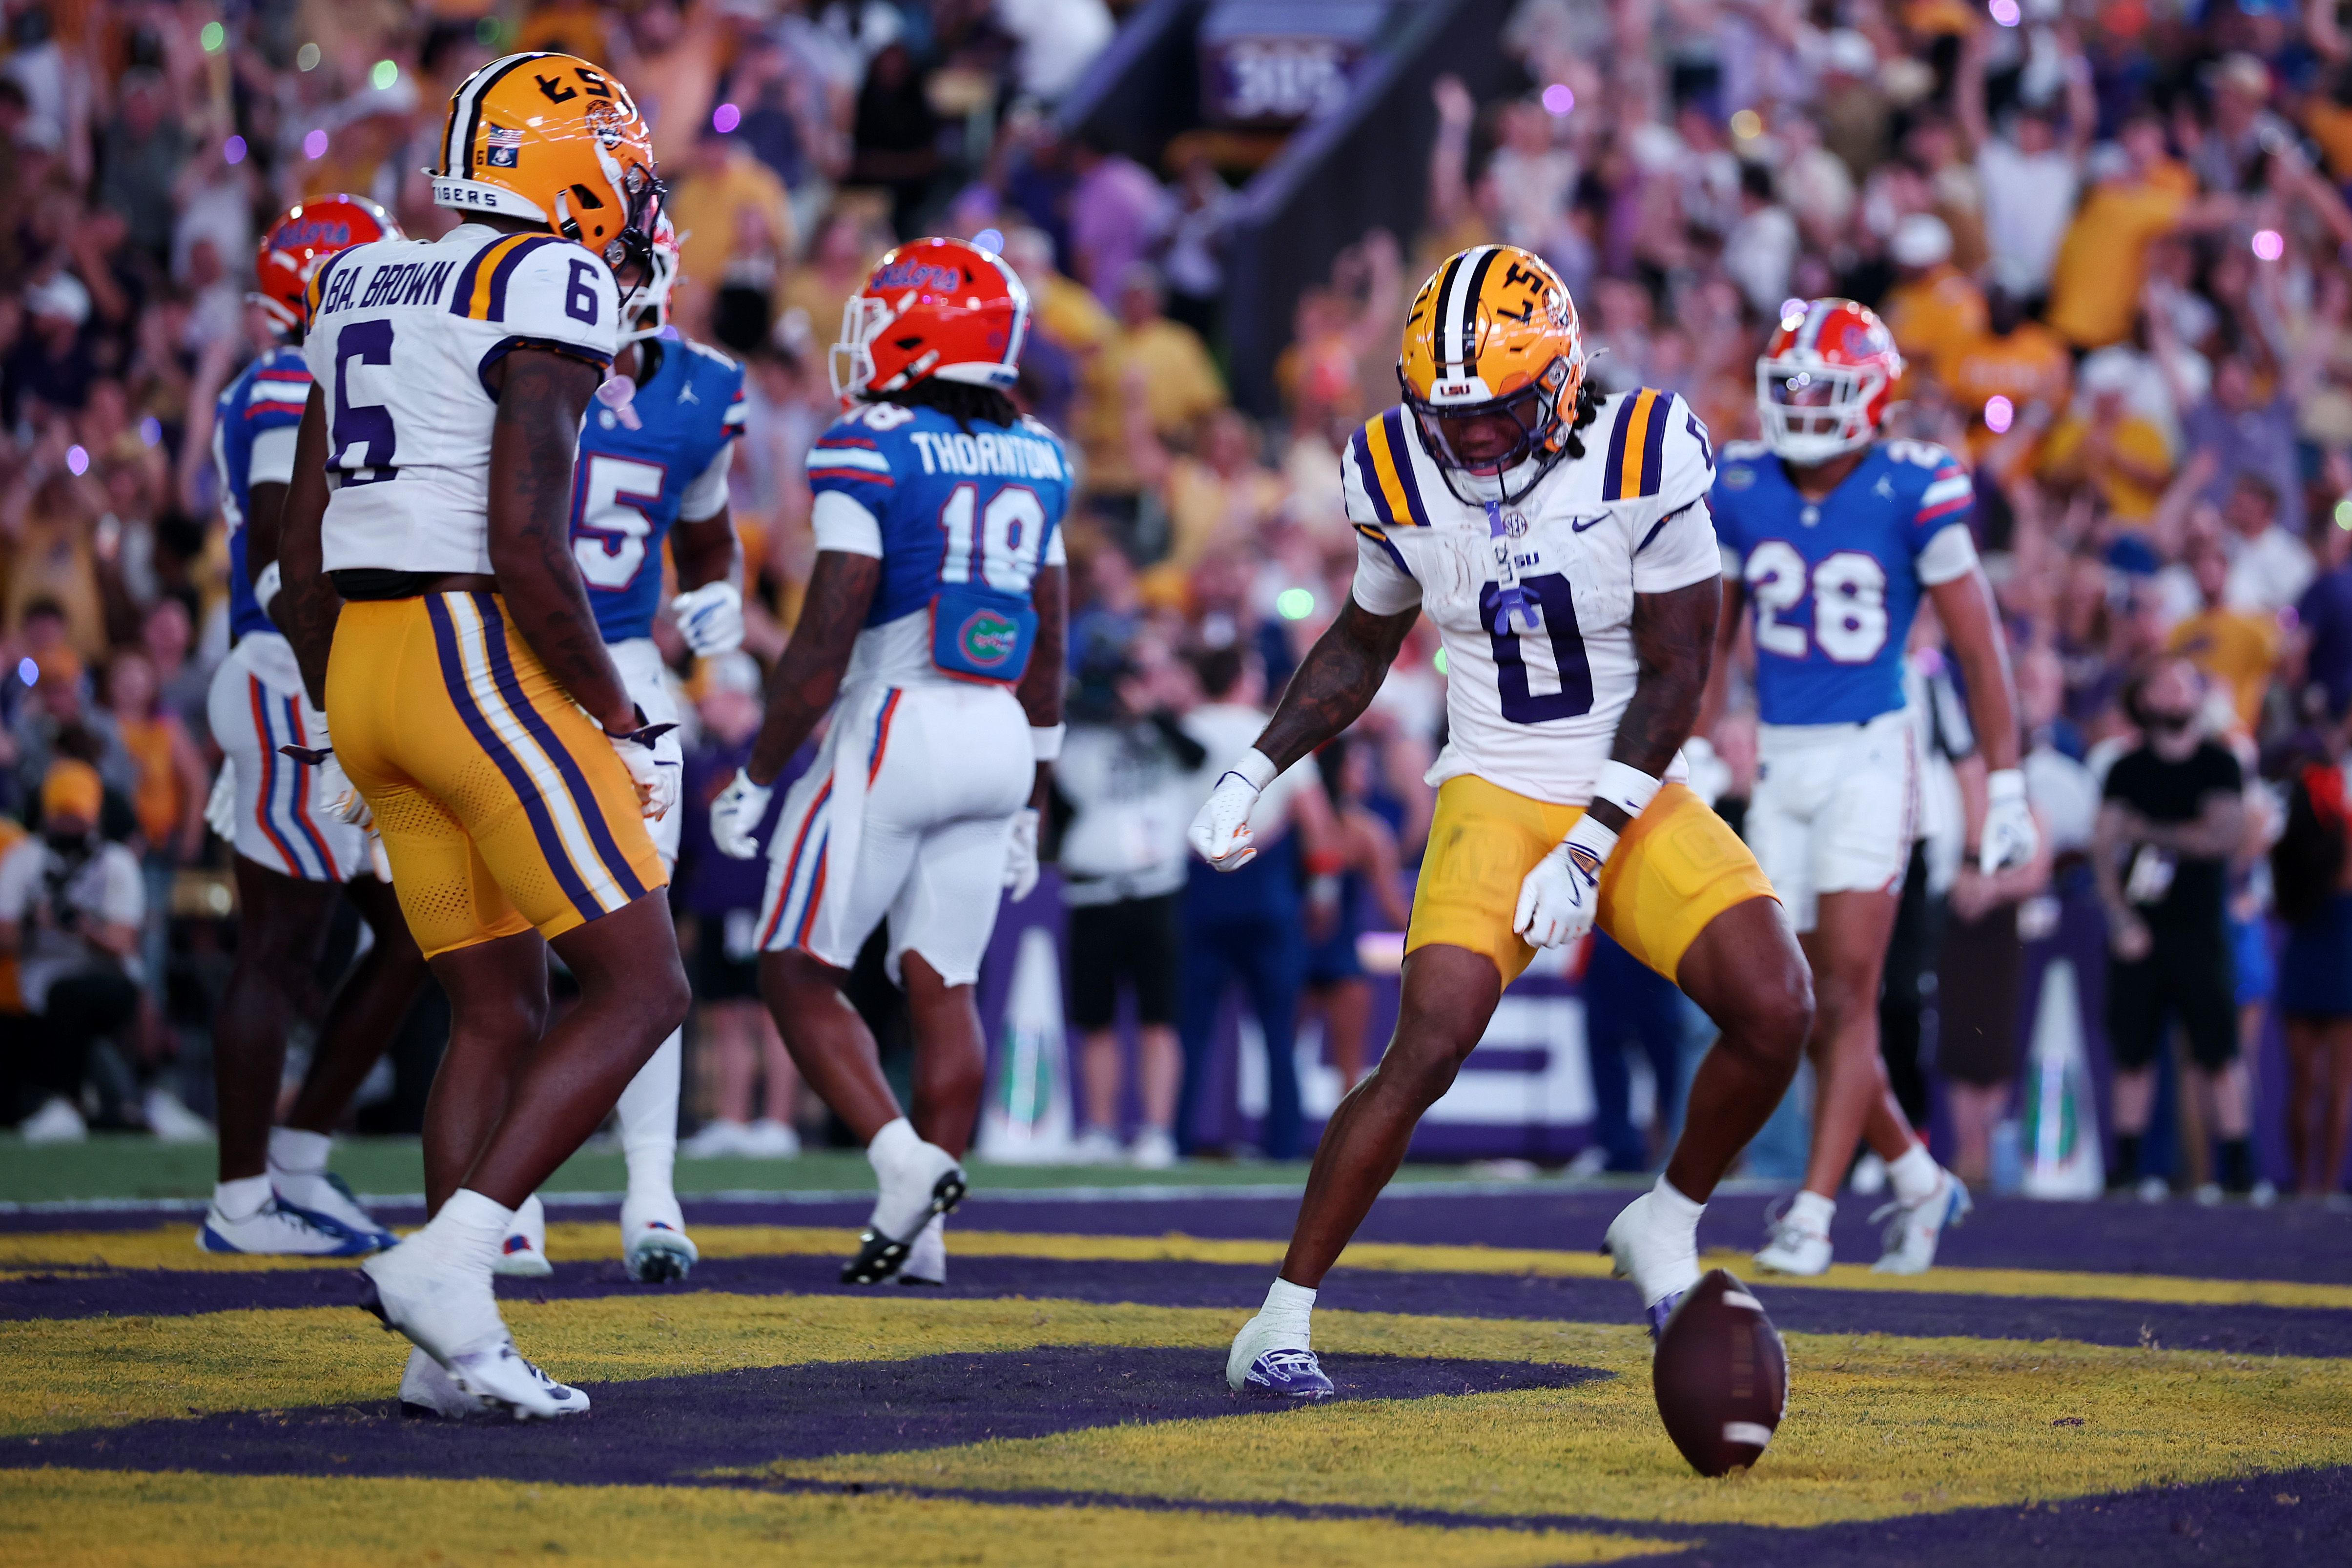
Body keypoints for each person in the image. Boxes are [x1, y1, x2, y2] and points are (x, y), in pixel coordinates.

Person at [1200, 245, 1814, 1399]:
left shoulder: (1642, 454)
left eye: (1496, 411)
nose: (1471, 437)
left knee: (1777, 1005)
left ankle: (1665, 1222)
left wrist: (1590, 841)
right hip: (1491, 778)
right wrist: (1257, 764)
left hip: (1627, 780)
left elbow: (1682, 672)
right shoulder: (1394, 467)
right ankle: (1279, 1317)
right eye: (1449, 414)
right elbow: (1360, 638)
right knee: (1427, 1041)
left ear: (1564, 379)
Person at [274, 53, 690, 1419]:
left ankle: (438, 1349)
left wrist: (342, 709)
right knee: (644, 984)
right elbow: (527, 538)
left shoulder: (360, 273)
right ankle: (453, 1263)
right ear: (560, 164)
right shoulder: (548, 279)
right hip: (470, 653)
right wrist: (620, 711)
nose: (630, 196)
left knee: (499, 1004)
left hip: (370, 670)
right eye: (616, 164)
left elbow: (300, 537)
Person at [708, 237, 1070, 1288]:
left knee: (794, 963)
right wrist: (1033, 801)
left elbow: (823, 641)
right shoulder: (1039, 453)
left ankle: (903, 1163)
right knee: (942, 982)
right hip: (999, 733)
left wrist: (761, 772)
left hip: (896, 721)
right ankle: (930, 1235)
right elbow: (1049, 639)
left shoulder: (872, 446)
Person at [1706, 298, 2035, 1277]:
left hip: (1868, 752)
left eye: (1824, 389)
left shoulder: (1915, 484)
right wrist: (1691, 739)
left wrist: (2006, 781)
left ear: (1874, 398)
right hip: (1779, 756)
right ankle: (1919, 1177)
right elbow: (1712, 640)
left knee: (1846, 994)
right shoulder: (1743, 483)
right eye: (1792, 387)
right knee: (1794, 1001)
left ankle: (1812, 1208)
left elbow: (1980, 650)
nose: (1802, 406)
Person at [491, 214, 750, 1284]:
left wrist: (720, 587)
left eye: (629, 263)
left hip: (628, 677)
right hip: (505, 662)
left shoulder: (700, 388)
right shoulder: (508, 353)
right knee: (510, 943)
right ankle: (513, 1200)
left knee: (646, 940)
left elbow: (705, 523)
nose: (614, 278)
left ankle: (652, 1188)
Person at [197, 196, 433, 1258]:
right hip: (296, 673)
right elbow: (280, 571)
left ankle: (295, 1157)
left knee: (420, 929)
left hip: (336, 672)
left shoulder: (328, 371)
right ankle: (240, 1202)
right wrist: (338, 688)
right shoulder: (291, 381)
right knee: (281, 943)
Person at [2094, 658, 2254, 1199]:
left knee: (2218, 1052)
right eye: (2161, 685)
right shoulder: (2125, 767)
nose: (2171, 696)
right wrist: (2119, 916)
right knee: (2132, 1051)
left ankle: (2238, 1170)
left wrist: (2148, 829)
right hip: (2140, 929)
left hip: (2200, 929)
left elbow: (2222, 835)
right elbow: (2104, 846)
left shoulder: (2219, 762)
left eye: (2181, 685)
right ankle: (2131, 1167)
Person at [1176, 643, 1333, 1161]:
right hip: (1265, 889)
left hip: (1197, 884)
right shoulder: (1276, 731)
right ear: (1245, 676)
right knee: (1277, 1031)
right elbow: (1318, 826)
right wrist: (1323, 891)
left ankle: (1176, 1138)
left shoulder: (1183, 730)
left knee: (1192, 1031)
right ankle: (1284, 1145)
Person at [1055, 646, 1203, 1167]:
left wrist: (1149, 712)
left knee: (1157, 1016)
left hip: (1155, 887)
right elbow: (1059, 798)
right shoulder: (1081, 737)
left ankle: (1156, 1130)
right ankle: (1099, 1126)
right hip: (1093, 889)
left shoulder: (1168, 735)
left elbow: (1196, 756)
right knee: (1094, 1017)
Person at [0, 761, 143, 1143]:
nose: (69, 826)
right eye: (61, 817)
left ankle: (66, 1098)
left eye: (76, 817)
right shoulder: (25, 859)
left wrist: (82, 927)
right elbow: (5, 937)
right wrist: (34, 921)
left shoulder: (115, 863)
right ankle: (50, 1104)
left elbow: (123, 945)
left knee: (71, 997)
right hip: (35, 985)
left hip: (103, 980)